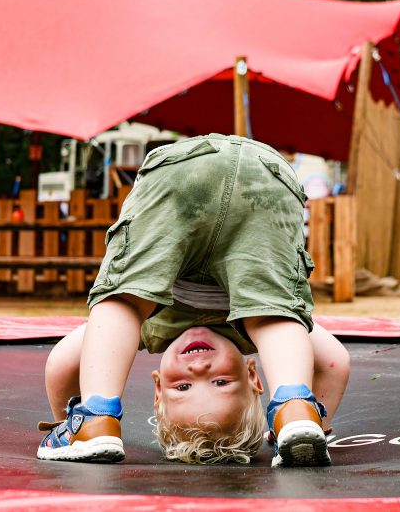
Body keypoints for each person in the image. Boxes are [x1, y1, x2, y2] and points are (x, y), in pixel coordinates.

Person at [36, 133, 350, 466]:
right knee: (273, 314)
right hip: (261, 180)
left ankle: (92, 417)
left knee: (127, 301)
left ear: (159, 388)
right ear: (256, 378)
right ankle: (295, 411)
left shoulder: (147, 328)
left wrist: (63, 420)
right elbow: (334, 363)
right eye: (220, 382)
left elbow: (61, 365)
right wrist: (317, 431)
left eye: (182, 386)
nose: (199, 367)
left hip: (199, 174)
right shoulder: (237, 332)